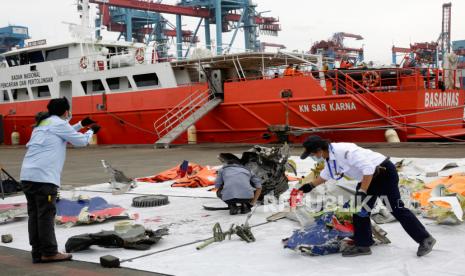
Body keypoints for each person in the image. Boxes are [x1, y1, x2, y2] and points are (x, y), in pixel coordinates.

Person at [298, 135, 436, 257]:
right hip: (370, 177)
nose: (313, 157)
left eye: (312, 154)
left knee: (396, 209)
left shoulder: (344, 151)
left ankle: (425, 239)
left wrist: (362, 191)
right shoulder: (330, 157)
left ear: (319, 150)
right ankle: (363, 244)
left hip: (383, 173)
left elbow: (368, 168)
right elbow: (326, 174)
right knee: (358, 210)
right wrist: (309, 186)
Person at [20, 97, 101, 264]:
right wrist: (91, 130)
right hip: (44, 178)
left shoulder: (43, 124)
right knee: (46, 216)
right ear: (66, 111)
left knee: (34, 215)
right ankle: (49, 252)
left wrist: (80, 124)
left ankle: (38, 252)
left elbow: (62, 132)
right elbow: (80, 141)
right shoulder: (59, 124)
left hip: (27, 176)